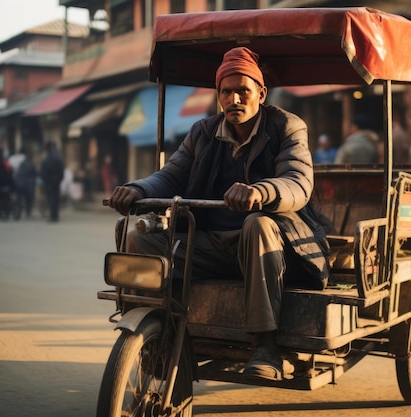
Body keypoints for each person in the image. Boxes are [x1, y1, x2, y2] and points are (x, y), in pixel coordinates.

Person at [107, 47, 329, 381]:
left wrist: (261, 192)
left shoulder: (287, 126)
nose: (234, 98)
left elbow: (297, 181)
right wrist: (137, 189)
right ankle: (152, 332)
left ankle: (265, 345)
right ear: (218, 95)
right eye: (227, 91)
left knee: (258, 224)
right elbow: (171, 175)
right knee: (135, 232)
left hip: (274, 251)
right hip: (209, 245)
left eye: (243, 90)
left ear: (261, 94)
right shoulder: (203, 131)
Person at [40, 141, 65, 222]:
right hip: (56, 180)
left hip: (50, 180)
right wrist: (60, 179)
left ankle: (53, 216)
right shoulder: (57, 155)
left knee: (51, 198)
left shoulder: (49, 156)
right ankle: (55, 215)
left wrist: (45, 178)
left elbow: (45, 168)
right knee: (55, 198)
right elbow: (61, 168)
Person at [14, 147, 38, 218]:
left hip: (19, 183)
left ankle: (18, 212)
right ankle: (28, 212)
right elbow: (35, 173)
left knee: (19, 199)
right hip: (28, 185)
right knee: (29, 199)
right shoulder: (30, 164)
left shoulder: (21, 164)